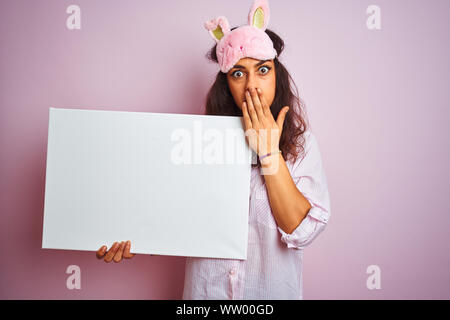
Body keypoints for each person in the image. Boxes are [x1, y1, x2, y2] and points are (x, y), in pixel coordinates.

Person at [96, 0, 331, 300]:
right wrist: (130, 237)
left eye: (262, 70)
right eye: (237, 73)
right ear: (226, 84)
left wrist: (270, 152)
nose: (251, 86)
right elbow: (172, 219)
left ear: (277, 75)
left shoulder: (302, 146)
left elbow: (301, 231)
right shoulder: (196, 143)